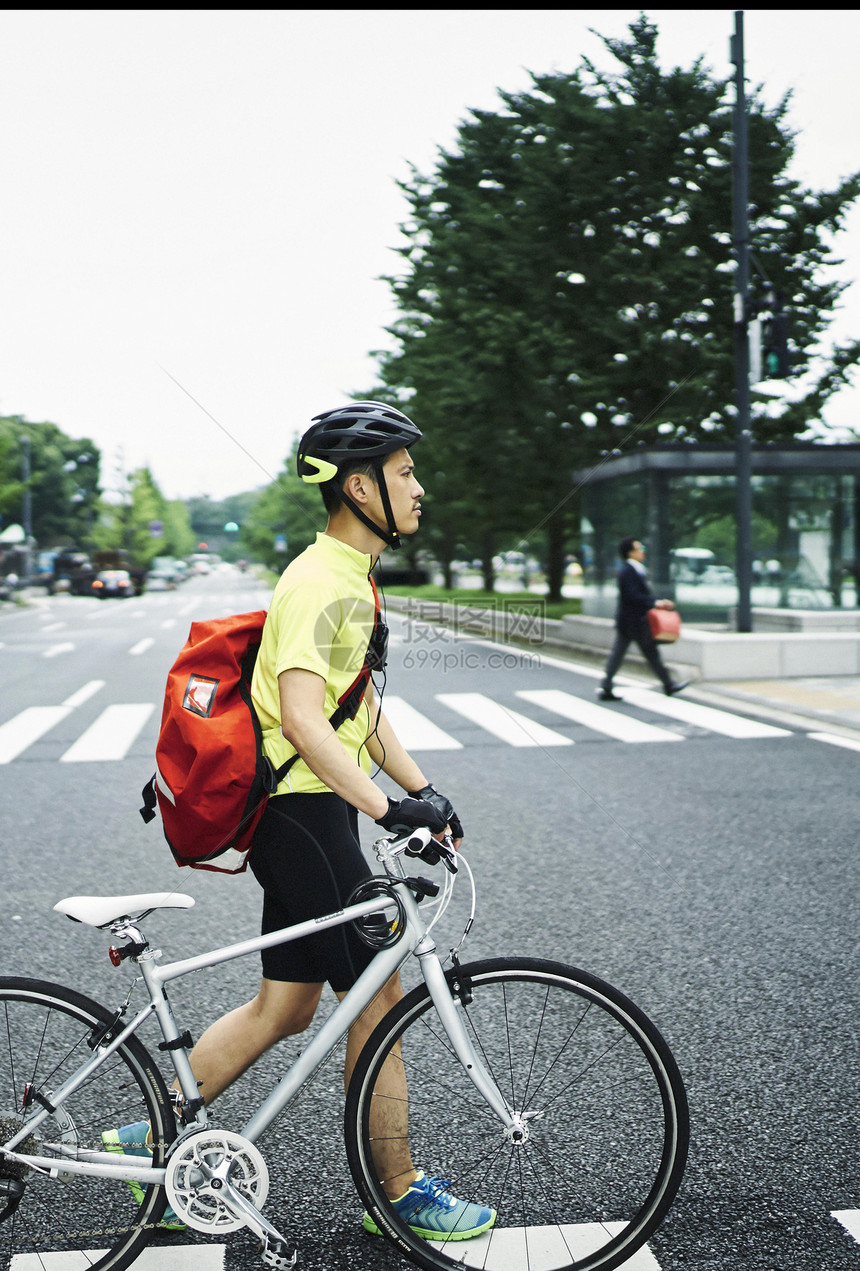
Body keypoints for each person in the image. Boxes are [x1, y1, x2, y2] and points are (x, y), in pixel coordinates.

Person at [104, 402, 494, 1242]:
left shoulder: (347, 576)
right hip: (301, 815)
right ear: (360, 486)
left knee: (283, 1006)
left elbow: (357, 714)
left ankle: (160, 1132)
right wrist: (391, 807)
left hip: (311, 815)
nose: (420, 488)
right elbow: (308, 722)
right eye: (404, 473)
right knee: (381, 995)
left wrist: (429, 792)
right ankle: (397, 1191)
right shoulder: (322, 581)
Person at [598, 536, 689, 701]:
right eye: (640, 549)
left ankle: (607, 686)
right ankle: (668, 684)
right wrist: (656, 603)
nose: (643, 552)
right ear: (630, 553)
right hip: (631, 622)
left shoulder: (635, 570)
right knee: (639, 654)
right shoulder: (627, 572)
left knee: (629, 654)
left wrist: (656, 603)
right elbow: (632, 596)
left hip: (634, 621)